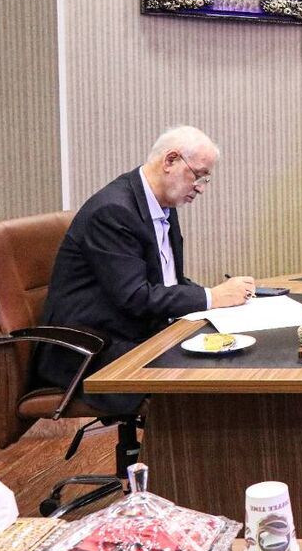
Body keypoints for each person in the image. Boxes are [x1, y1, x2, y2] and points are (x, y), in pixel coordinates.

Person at [37, 126, 255, 416]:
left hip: (134, 332)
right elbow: (135, 297)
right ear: (170, 161)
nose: (201, 187)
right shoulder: (113, 211)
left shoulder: (163, 205)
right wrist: (211, 298)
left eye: (205, 179)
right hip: (92, 349)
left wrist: (218, 299)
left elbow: (167, 281)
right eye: (198, 175)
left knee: (227, 354)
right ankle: (182, 445)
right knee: (202, 375)